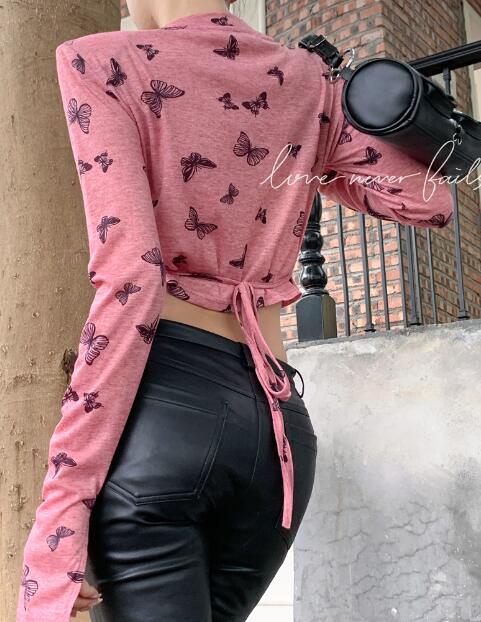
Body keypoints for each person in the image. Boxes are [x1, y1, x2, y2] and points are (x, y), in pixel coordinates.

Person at [16, 0, 454, 620]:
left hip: (165, 416)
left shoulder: (99, 60)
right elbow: (428, 200)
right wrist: (303, 155)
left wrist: (61, 514)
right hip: (277, 433)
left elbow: (131, 274)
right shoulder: (311, 80)